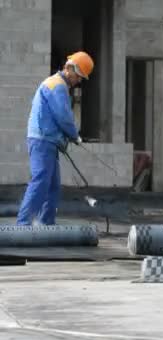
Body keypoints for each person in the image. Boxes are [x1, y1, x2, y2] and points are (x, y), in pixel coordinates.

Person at [16, 51, 94, 226]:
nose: (79, 80)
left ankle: (46, 224)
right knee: (41, 180)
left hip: (46, 141)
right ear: (69, 68)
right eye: (79, 75)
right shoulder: (57, 86)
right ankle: (23, 225)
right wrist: (74, 135)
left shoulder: (56, 84)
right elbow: (63, 117)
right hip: (42, 141)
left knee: (52, 186)